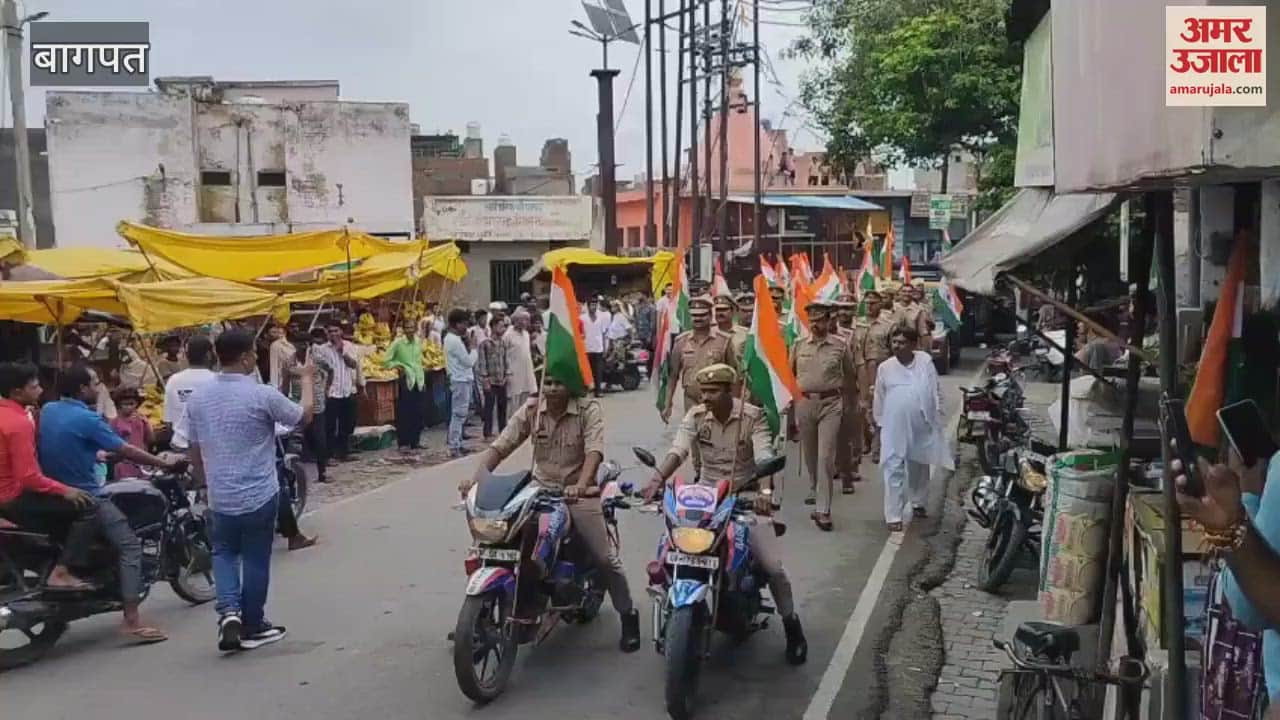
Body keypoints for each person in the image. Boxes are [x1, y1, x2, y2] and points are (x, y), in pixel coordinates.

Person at [460, 376, 641, 653]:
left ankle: (628, 615)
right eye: (550, 382)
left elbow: (594, 451)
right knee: (503, 538)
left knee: (604, 558)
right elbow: (501, 446)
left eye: (560, 382)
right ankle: (483, 614)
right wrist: (476, 479)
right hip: (539, 489)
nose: (554, 388)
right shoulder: (533, 409)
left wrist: (581, 484)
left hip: (579, 492)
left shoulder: (587, 409)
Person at [643, 363, 808, 664]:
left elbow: (764, 459)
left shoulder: (752, 417)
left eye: (713, 391)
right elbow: (678, 451)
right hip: (704, 496)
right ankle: (672, 602)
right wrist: (656, 480)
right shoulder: (695, 416)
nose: (705, 396)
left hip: (744, 496)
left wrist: (764, 494)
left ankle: (792, 625)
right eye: (703, 390)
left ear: (730, 390)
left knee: (773, 568)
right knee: (669, 548)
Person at [185, 329, 314, 652]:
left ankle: (229, 612)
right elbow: (302, 417)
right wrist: (308, 380)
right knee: (256, 558)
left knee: (223, 553)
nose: (256, 358)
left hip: (220, 495)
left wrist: (202, 484)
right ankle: (253, 623)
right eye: (254, 354)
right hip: (258, 492)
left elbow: (193, 448)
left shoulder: (199, 397)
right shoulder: (260, 395)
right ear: (244, 357)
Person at [38, 364, 179, 643]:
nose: (98, 387)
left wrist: (96, 454)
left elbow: (64, 444)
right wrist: (163, 462)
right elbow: (126, 449)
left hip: (51, 492)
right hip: (85, 493)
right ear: (82, 389)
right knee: (130, 546)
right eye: (94, 383)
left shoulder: (49, 410)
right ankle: (132, 620)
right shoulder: (89, 419)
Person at [0, 362, 99, 593]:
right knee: (89, 506)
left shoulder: (12, 414)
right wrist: (66, 490)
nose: (41, 391)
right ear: (17, 392)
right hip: (14, 498)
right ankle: (61, 572)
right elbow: (29, 477)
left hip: (7, 496)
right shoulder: (18, 422)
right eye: (34, 387)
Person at [872, 328, 952, 533]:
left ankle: (918, 502)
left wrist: (936, 416)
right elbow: (879, 396)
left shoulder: (924, 361)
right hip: (893, 425)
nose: (897, 346)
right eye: (894, 342)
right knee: (893, 464)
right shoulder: (885, 367)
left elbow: (934, 389)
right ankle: (893, 514)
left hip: (921, 422)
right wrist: (879, 422)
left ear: (913, 345)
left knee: (919, 461)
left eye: (902, 342)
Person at [789, 301, 857, 531]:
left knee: (826, 456)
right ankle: (813, 485)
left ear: (829, 320)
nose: (816, 324)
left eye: (820, 319)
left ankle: (823, 509)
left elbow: (850, 376)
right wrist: (789, 413)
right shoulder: (798, 346)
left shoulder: (840, 345)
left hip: (831, 403)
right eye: (812, 320)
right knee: (810, 454)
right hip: (805, 402)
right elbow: (790, 378)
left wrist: (849, 405)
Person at [661, 296, 734, 422]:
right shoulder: (681, 342)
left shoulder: (724, 340)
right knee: (693, 436)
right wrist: (668, 403)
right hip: (691, 400)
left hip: (718, 401)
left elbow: (734, 375)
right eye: (694, 315)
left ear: (711, 316)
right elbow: (673, 376)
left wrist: (735, 403)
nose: (698, 318)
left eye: (702, 315)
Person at [284, 329, 333, 483]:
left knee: (320, 439)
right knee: (297, 440)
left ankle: (322, 472)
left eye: (305, 344)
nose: (303, 347)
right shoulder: (289, 362)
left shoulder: (317, 359)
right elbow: (285, 381)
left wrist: (326, 389)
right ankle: (293, 474)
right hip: (298, 405)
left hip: (317, 404)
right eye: (299, 344)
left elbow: (330, 371)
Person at [314, 321, 361, 462]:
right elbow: (321, 369)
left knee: (346, 423)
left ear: (341, 331)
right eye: (330, 331)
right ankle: (328, 455)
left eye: (336, 331)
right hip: (331, 391)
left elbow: (354, 365)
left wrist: (342, 352)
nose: (333, 334)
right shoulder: (321, 349)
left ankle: (343, 452)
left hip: (347, 389)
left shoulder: (350, 346)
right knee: (329, 425)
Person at [834, 296, 864, 492]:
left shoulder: (857, 333)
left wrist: (864, 390)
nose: (844, 313)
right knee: (834, 431)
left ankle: (851, 466)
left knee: (850, 430)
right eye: (840, 309)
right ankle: (837, 466)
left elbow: (860, 363)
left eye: (848, 309)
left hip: (849, 388)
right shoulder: (829, 332)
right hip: (829, 389)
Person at [165, 336, 217, 449]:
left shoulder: (174, 380)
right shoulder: (217, 380)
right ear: (209, 355)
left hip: (181, 445)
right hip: (210, 448)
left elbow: (169, 423)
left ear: (187, 356)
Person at [384, 318, 427, 452]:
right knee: (405, 412)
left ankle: (415, 441)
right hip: (406, 380)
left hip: (418, 380)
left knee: (418, 412)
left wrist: (423, 379)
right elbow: (386, 360)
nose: (409, 330)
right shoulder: (398, 343)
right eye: (407, 327)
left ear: (415, 329)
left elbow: (419, 361)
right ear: (403, 329)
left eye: (412, 327)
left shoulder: (419, 342)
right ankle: (403, 443)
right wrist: (398, 366)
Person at [861, 291, 895, 461]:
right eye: (867, 303)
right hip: (862, 371)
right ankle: (865, 441)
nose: (869, 306)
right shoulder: (857, 325)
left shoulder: (888, 325)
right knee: (862, 410)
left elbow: (894, 350)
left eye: (873, 303)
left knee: (879, 411)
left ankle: (877, 448)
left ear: (880, 305)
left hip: (882, 371)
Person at [444, 308, 478, 458]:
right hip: (460, 379)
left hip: (462, 379)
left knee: (461, 413)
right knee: (458, 414)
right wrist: (473, 347)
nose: (466, 327)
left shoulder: (453, 339)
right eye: (464, 324)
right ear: (457, 324)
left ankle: (457, 442)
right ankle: (454, 445)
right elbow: (468, 361)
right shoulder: (453, 341)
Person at [477, 315, 510, 439]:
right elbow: (482, 362)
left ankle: (503, 431)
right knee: (489, 407)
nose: (503, 329)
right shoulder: (485, 344)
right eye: (501, 326)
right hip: (490, 380)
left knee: (502, 406)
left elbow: (505, 359)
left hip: (502, 379)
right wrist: (485, 378)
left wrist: (506, 374)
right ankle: (487, 432)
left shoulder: (502, 343)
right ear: (494, 327)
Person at [108, 387, 152, 480]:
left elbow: (149, 439)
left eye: (131, 404)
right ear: (119, 405)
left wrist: (146, 423)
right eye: (125, 404)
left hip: (142, 461)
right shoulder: (114, 422)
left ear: (136, 404)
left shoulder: (141, 419)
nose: (129, 407)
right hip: (124, 464)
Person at [503, 309, 538, 409]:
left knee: (526, 400)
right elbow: (503, 354)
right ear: (516, 321)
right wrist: (507, 371)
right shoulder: (508, 335)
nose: (526, 322)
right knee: (514, 402)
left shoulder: (526, 334)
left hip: (526, 372)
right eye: (524, 320)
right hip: (514, 372)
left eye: (528, 320)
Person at [580, 298, 609, 398]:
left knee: (598, 371)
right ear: (588, 306)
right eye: (592, 305)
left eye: (595, 305)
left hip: (598, 348)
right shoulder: (582, 318)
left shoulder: (601, 318)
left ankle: (598, 391)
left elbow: (604, 333)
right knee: (587, 371)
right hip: (586, 347)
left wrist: (605, 347)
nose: (593, 307)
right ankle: (587, 390)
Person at [714, 295, 748, 370]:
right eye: (717, 310)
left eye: (724, 309)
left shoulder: (745, 335)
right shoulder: (709, 334)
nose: (720, 313)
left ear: (733, 311)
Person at [266, 324, 294, 391]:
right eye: (274, 332)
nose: (278, 335)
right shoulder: (273, 345)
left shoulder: (280, 345)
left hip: (280, 379)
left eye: (279, 333)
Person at [634, 293, 657, 362]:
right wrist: (637, 332)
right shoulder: (638, 307)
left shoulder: (651, 308)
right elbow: (636, 320)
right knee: (643, 352)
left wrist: (650, 336)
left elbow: (652, 323)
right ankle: (646, 365)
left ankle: (651, 366)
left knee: (650, 352)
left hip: (648, 334)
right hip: (641, 334)